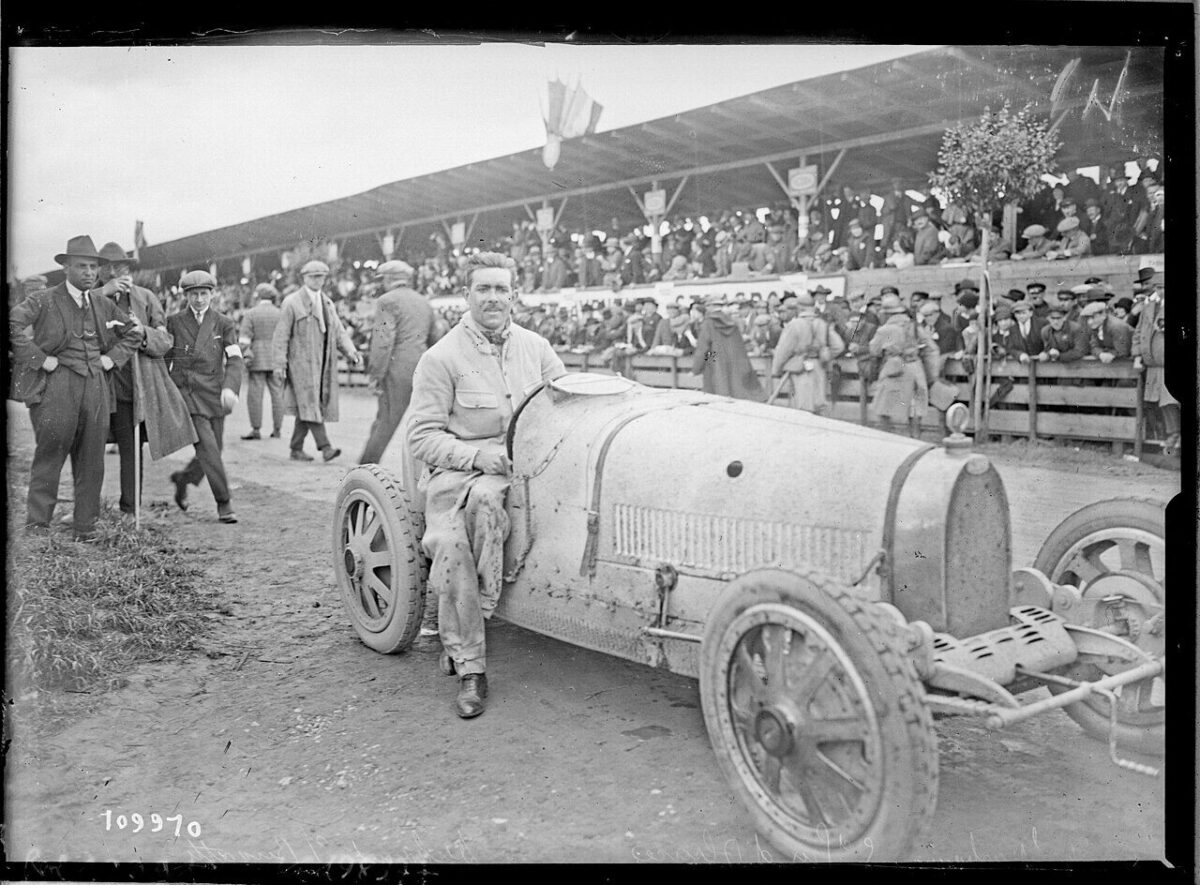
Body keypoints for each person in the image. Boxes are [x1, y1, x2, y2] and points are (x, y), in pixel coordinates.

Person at [406, 252, 567, 718]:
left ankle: (462, 632)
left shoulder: (537, 349)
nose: (493, 298)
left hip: (522, 473)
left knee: (494, 502)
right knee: (454, 543)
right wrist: (480, 456)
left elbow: (563, 407)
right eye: (484, 289)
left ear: (514, 295)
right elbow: (422, 437)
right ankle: (471, 665)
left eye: (502, 289)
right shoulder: (440, 358)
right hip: (455, 477)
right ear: (466, 295)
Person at [10, 236, 144, 539]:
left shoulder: (101, 302)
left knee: (92, 457)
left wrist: (112, 360)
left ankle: (86, 526)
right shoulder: (43, 299)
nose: (88, 272)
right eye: (81, 266)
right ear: (66, 267)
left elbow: (133, 332)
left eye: (93, 267)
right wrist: (39, 359)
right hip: (57, 384)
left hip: (95, 385)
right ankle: (37, 525)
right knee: (51, 452)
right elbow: (12, 324)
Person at [95, 242, 195, 516]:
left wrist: (143, 333)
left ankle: (130, 510)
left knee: (130, 450)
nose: (116, 273)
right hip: (96, 386)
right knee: (88, 449)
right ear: (101, 271)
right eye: (109, 268)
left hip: (131, 387)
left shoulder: (147, 298)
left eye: (121, 268)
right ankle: (88, 508)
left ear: (129, 270)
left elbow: (165, 341)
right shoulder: (91, 296)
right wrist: (103, 293)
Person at [165, 271, 244, 523]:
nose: (199, 299)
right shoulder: (174, 322)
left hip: (215, 393)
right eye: (193, 294)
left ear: (212, 294)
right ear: (186, 295)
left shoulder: (224, 322)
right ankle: (224, 502)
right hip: (187, 394)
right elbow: (165, 359)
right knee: (209, 448)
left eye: (203, 294)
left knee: (215, 448)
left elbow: (234, 359)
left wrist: (231, 387)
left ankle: (184, 479)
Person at [272, 259, 363, 462]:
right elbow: (281, 336)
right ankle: (326, 448)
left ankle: (296, 448)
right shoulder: (292, 302)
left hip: (323, 363)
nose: (317, 280)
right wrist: (279, 364)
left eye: (321, 276)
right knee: (310, 403)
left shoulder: (327, 303)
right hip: (300, 364)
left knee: (308, 405)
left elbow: (339, 332)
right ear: (304, 278)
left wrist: (352, 352)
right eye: (313, 276)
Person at [356, 261, 441, 465]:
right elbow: (436, 339)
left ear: (388, 279)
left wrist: (375, 375)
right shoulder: (424, 302)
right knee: (428, 424)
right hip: (423, 371)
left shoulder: (387, 301)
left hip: (396, 370)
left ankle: (366, 466)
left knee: (385, 421)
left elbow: (383, 342)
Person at [770, 291, 844, 414]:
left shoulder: (794, 325)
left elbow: (782, 351)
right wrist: (824, 354)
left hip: (800, 366)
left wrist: (776, 370)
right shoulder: (822, 323)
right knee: (818, 405)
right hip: (819, 366)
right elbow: (839, 346)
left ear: (799, 307)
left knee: (802, 406)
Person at [868, 293, 929, 438]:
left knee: (883, 405)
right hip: (915, 366)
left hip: (895, 368)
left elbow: (874, 350)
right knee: (915, 406)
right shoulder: (913, 325)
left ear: (887, 313)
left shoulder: (885, 330)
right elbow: (928, 345)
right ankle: (915, 437)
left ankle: (887, 438)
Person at [691, 293, 765, 401]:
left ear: (710, 307)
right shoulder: (732, 322)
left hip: (714, 362)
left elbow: (703, 348)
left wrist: (696, 369)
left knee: (716, 400)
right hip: (734, 363)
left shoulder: (708, 323)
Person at [1131, 289, 1178, 454]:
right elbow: (1138, 333)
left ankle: (1174, 436)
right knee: (1158, 402)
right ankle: (1169, 437)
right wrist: (1137, 356)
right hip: (1153, 365)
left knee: (1170, 401)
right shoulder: (1149, 306)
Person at [238, 283, 285, 440]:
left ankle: (256, 429)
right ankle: (277, 429)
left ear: (257, 296)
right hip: (277, 358)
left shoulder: (251, 314)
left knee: (255, 396)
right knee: (278, 395)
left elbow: (244, 340)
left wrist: (245, 353)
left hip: (257, 359)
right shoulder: (281, 313)